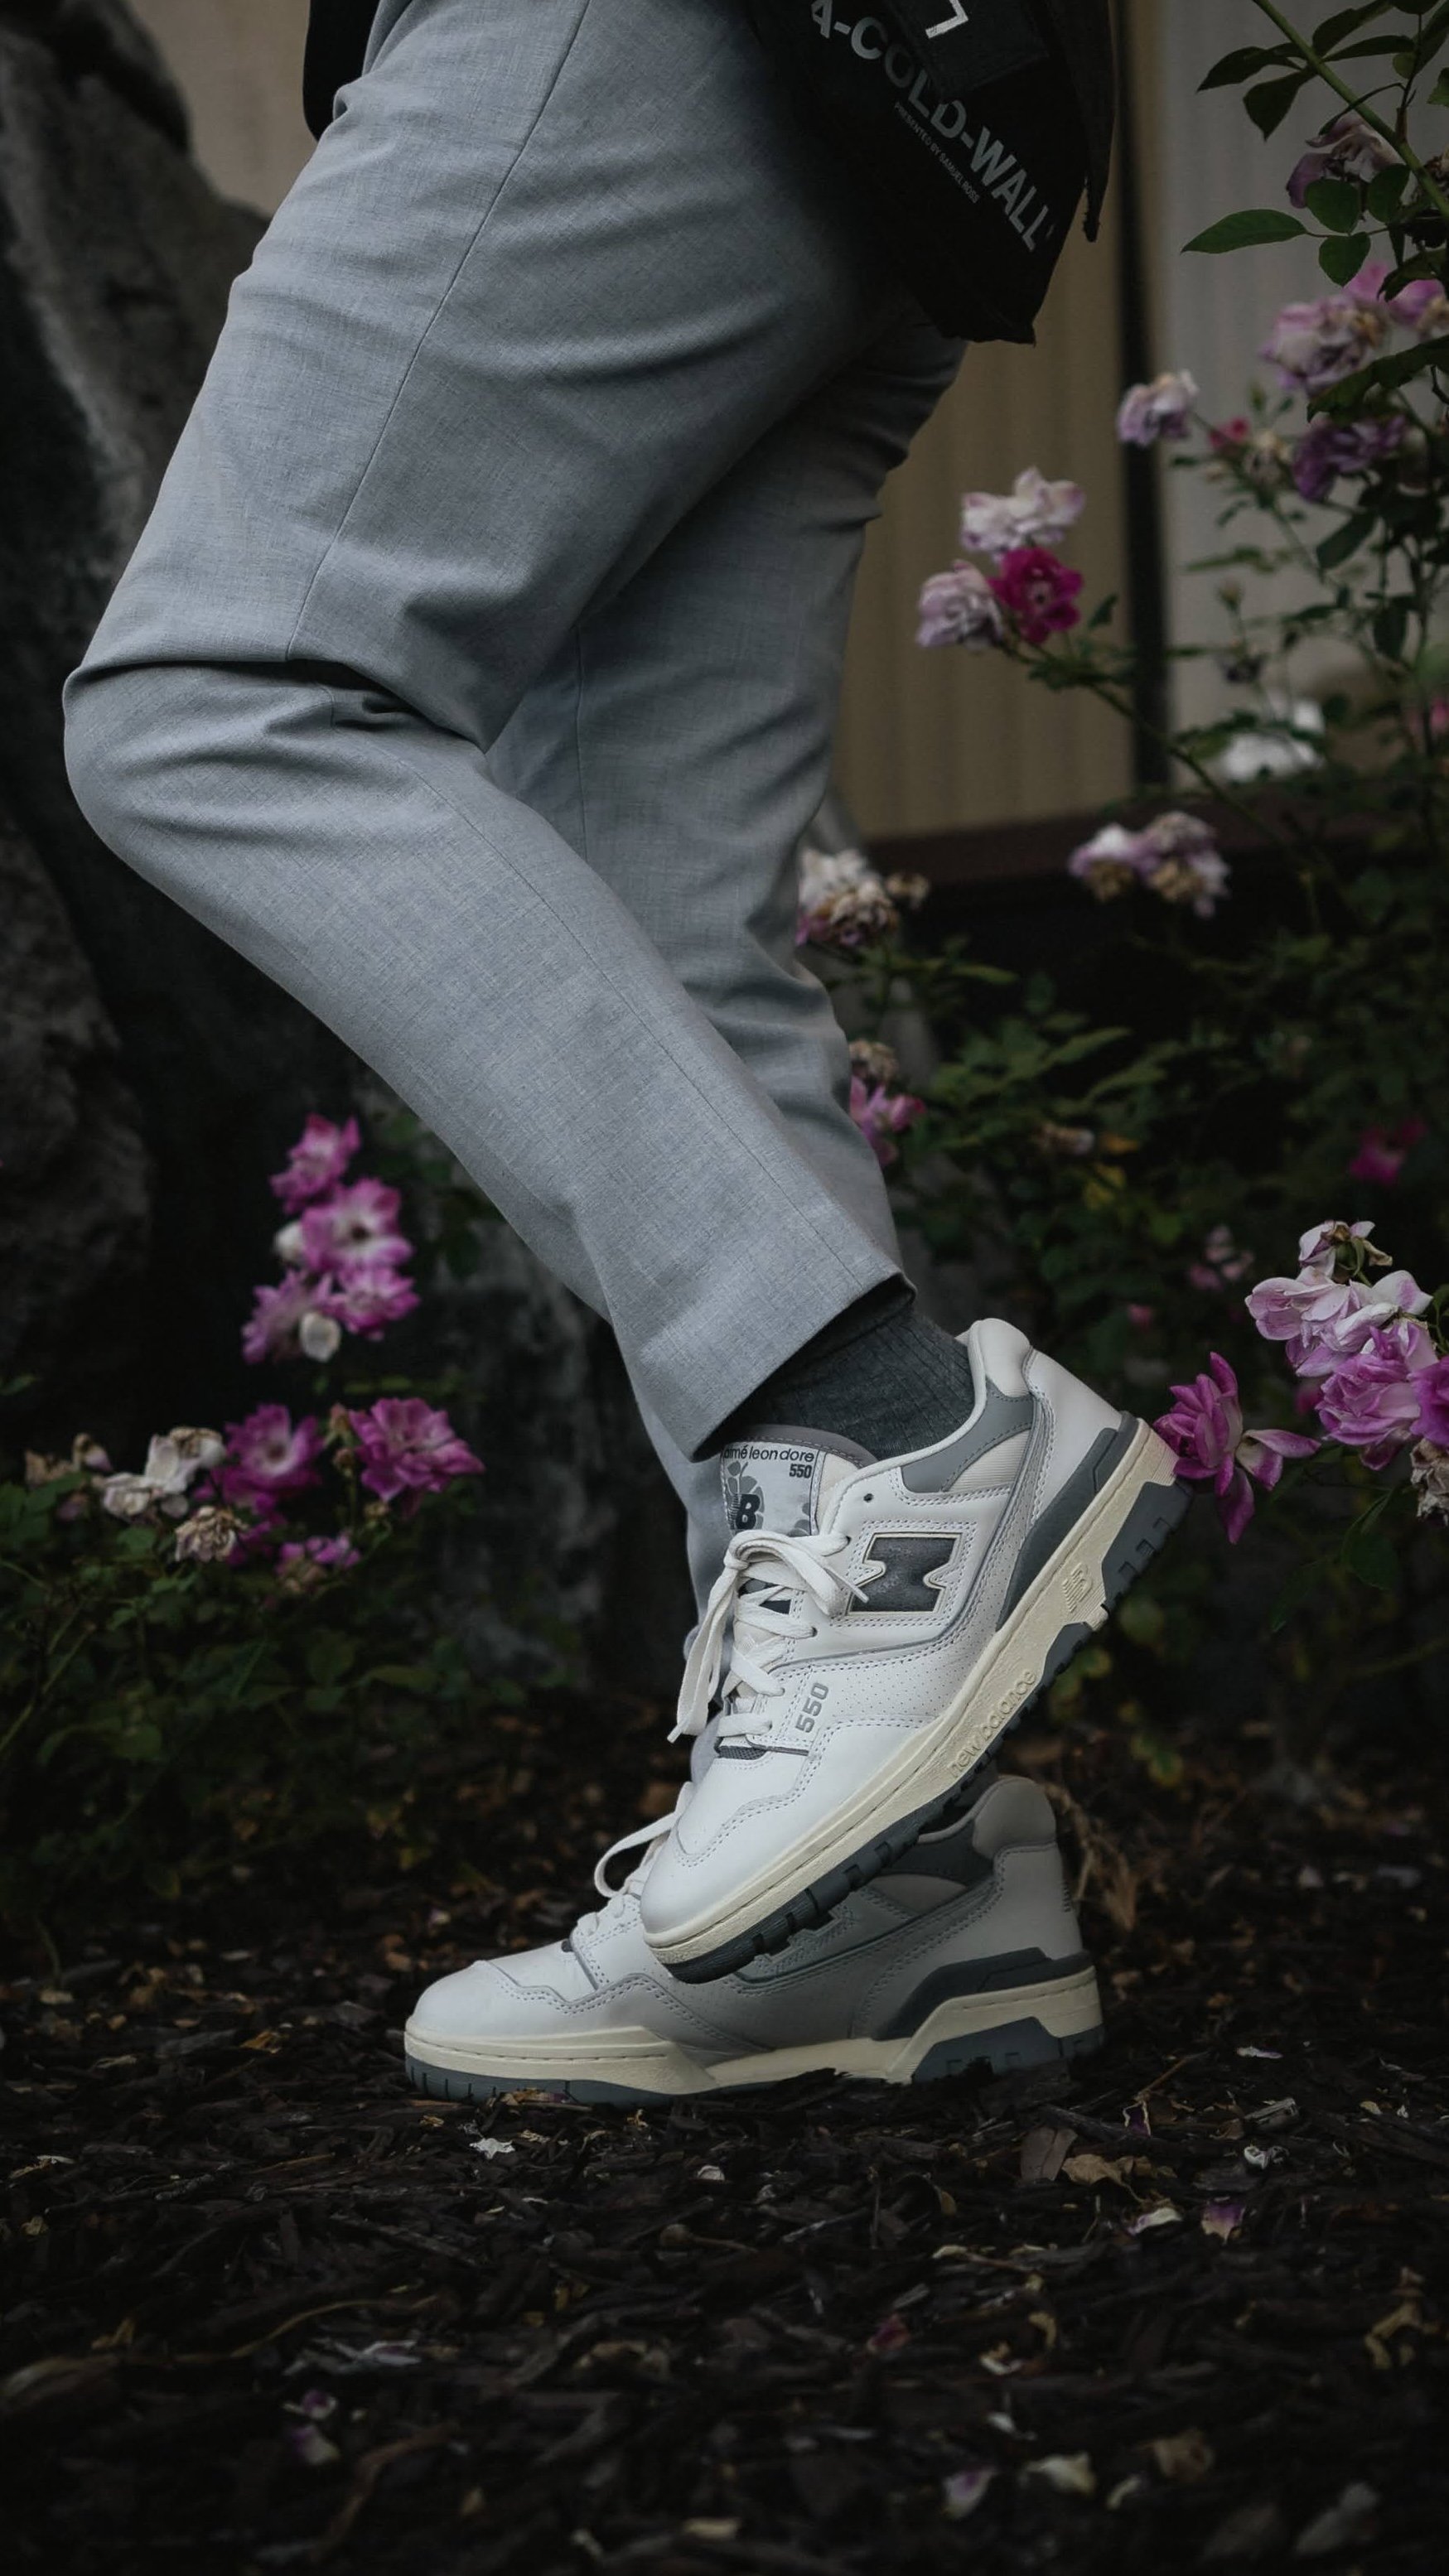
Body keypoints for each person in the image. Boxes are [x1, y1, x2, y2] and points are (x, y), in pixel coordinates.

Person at [61, 0, 1181, 2104]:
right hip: (902, 102)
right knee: (649, 912)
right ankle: (886, 1904)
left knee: (218, 693)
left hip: (634, 37)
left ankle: (870, 1442)